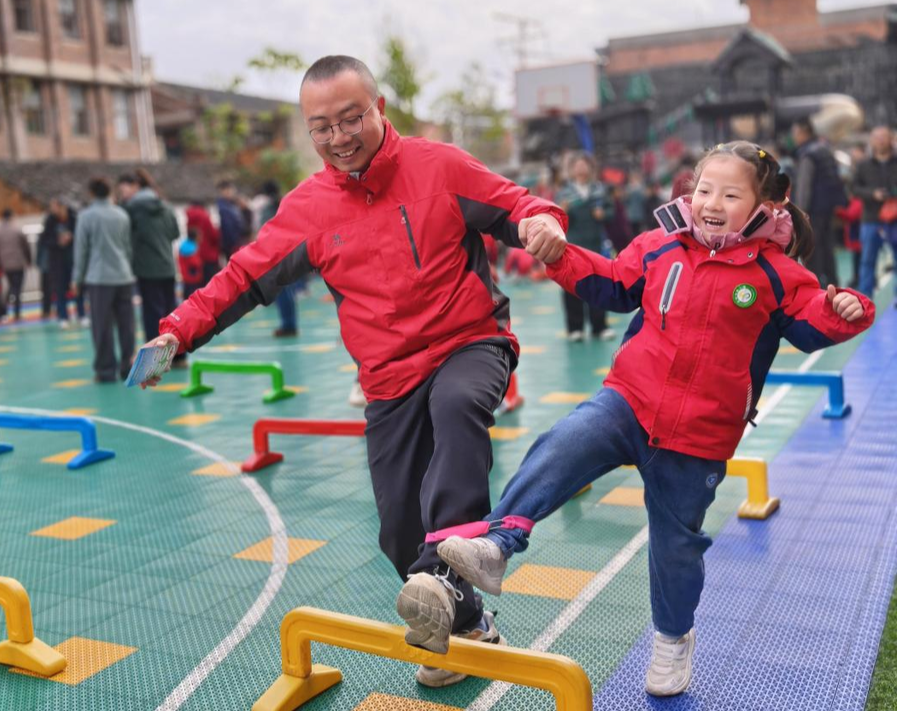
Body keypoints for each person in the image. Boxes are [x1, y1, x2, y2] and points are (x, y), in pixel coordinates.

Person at [139, 54, 568, 687]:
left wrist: (542, 222)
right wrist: (178, 330)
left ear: (380, 110)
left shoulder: (439, 166)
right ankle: (469, 621)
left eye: (351, 118)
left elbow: (520, 206)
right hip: (388, 378)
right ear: (307, 132)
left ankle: (446, 577)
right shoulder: (308, 208)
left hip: (469, 341)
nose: (339, 138)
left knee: (456, 413)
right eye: (322, 127)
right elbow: (241, 278)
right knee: (397, 530)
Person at [433, 141, 875, 697]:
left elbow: (814, 324)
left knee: (676, 547)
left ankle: (672, 641)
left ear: (767, 206)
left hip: (700, 435)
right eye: (705, 189)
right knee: (567, 439)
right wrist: (560, 254)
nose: (712, 202)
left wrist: (844, 311)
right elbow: (612, 283)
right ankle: (499, 542)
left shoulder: (777, 274)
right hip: (630, 399)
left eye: (731, 194)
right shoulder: (661, 246)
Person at [72, 178, 136, 383]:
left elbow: (81, 250)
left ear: (92, 193)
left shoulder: (86, 216)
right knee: (127, 325)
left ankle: (106, 370)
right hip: (124, 276)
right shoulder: (122, 214)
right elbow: (127, 247)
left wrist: (77, 278)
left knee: (102, 325)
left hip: (99, 278)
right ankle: (129, 365)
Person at [556, 152, 615, 341]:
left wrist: (603, 214)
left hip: (595, 244)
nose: (581, 168)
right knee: (572, 285)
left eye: (584, 165)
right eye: (577, 165)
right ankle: (575, 328)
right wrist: (562, 211)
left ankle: (600, 326)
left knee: (598, 284)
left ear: (590, 168)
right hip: (572, 245)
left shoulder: (599, 190)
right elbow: (555, 218)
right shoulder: (564, 193)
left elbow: (612, 212)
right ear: (572, 170)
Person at [117, 169, 180, 343]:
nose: (123, 195)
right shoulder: (164, 205)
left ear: (136, 186)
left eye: (123, 190)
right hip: (167, 265)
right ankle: (177, 355)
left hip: (146, 268)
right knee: (171, 312)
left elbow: (123, 235)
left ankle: (153, 358)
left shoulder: (130, 209)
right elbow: (175, 232)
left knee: (152, 314)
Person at [792, 118, 848, 287]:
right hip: (827, 209)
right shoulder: (825, 149)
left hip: (812, 211)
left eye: (795, 133)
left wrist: (800, 212)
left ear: (803, 132)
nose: (793, 137)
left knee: (812, 250)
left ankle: (816, 287)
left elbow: (804, 185)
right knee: (827, 248)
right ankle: (834, 284)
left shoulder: (808, 153)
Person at [851, 125, 897, 299]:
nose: (881, 140)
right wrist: (872, 194)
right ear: (871, 141)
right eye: (877, 137)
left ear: (891, 139)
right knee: (867, 260)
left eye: (884, 137)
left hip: (895, 217)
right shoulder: (863, 165)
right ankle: (865, 298)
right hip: (871, 218)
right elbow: (854, 188)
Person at [258, 181, 298, 338]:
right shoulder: (287, 201)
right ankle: (290, 323)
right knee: (287, 290)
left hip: (275, 253)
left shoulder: (268, 208)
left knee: (281, 291)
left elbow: (266, 231)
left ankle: (288, 325)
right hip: (290, 250)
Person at [40, 198, 85, 328]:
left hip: (72, 259)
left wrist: (71, 237)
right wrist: (57, 241)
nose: (52, 209)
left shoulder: (74, 218)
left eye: (54, 206)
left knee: (77, 287)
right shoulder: (50, 221)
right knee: (59, 289)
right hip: (57, 261)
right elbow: (44, 240)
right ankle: (63, 316)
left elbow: (81, 236)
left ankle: (82, 314)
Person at [0, 208, 31, 321]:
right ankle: (16, 313)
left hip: (5, 264)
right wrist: (29, 259)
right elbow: (26, 246)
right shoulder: (17, 229)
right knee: (17, 288)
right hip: (18, 263)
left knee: (12, 286)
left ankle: (4, 309)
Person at [185, 200, 221, 284]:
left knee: (199, 284)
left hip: (195, 254)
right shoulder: (205, 216)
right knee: (211, 283)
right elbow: (214, 236)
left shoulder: (189, 218)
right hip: (209, 255)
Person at [216, 180, 248, 259]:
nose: (232, 193)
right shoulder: (223, 208)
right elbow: (228, 227)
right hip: (231, 244)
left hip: (237, 242)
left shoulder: (231, 205)